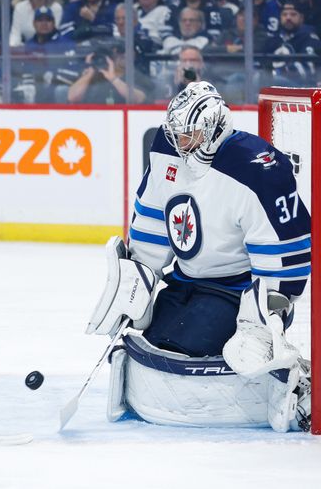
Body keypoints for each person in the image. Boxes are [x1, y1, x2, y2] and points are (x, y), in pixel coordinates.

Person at [87, 82, 312, 432]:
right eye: (176, 134)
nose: (180, 143)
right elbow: (151, 216)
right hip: (185, 281)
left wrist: (265, 312)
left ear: (214, 129)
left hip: (235, 291)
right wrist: (139, 277)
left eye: (189, 134)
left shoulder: (255, 167)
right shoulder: (168, 151)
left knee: (187, 343)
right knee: (152, 339)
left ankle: (299, 382)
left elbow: (287, 249)